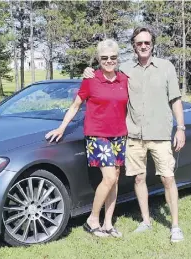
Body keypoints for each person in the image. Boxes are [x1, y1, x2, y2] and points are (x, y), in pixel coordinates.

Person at [83, 26, 186, 242]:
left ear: (152, 44)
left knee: (168, 178)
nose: (143, 46)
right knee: (139, 179)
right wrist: (88, 71)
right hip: (133, 136)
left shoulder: (166, 67)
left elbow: (175, 99)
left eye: (147, 42)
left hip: (159, 134)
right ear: (134, 45)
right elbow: (103, 77)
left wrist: (181, 128)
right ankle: (146, 221)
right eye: (139, 43)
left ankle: (175, 226)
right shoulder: (125, 70)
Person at [46, 39, 128, 237]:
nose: (109, 61)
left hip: (119, 134)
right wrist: (62, 127)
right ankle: (92, 219)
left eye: (113, 57)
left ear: (118, 59)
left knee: (114, 179)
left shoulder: (124, 79)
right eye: (105, 58)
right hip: (97, 134)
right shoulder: (90, 79)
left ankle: (108, 223)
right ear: (99, 59)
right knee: (108, 177)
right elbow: (75, 105)